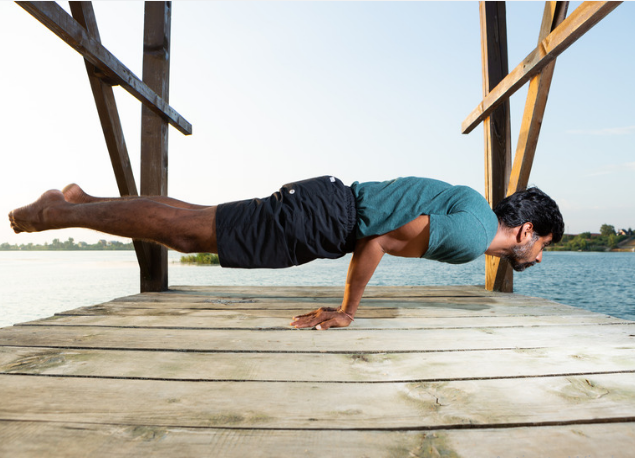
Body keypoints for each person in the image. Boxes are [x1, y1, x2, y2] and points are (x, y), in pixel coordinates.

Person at [8, 175, 564, 330]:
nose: (540, 258)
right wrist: (348, 310)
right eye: (544, 246)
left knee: (196, 220)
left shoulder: (469, 202)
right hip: (328, 218)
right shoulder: (470, 238)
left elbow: (389, 226)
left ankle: (84, 200)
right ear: (527, 230)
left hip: (327, 205)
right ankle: (58, 211)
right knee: (188, 233)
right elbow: (379, 240)